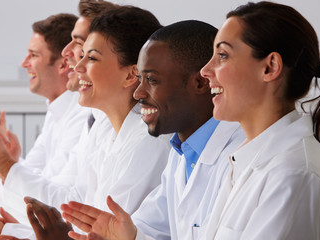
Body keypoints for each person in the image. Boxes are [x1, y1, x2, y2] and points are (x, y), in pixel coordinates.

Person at [0, 5, 171, 240]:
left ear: (131, 75)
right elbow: (77, 217)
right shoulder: (103, 128)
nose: (78, 67)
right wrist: (15, 230)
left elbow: (98, 232)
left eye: (91, 58)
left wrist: (9, 231)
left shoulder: (150, 141)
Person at [60, 20, 245, 240]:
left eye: (152, 80)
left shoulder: (239, 157)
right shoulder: (182, 154)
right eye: (141, 79)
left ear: (200, 83)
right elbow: (146, 229)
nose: (138, 93)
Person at [199, 2, 320, 239]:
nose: (205, 70)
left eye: (223, 55)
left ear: (270, 67)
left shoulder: (294, 176)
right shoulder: (244, 161)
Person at [0, 13, 91, 239]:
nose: (24, 63)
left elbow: (61, 209)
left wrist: (5, 165)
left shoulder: (81, 116)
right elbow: (27, 196)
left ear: (64, 63)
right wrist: (3, 161)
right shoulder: (57, 110)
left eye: (33, 55)